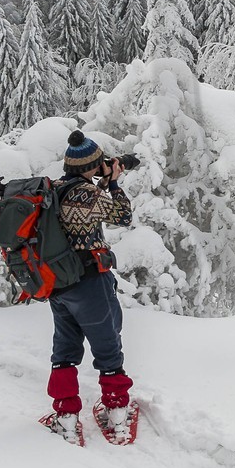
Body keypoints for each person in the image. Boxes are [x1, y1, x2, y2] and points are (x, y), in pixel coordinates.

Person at [44, 130, 135, 430]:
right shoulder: (88, 194)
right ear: (92, 166)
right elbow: (123, 217)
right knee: (107, 344)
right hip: (89, 281)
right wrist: (115, 184)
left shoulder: (54, 190)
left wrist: (103, 181)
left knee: (65, 348)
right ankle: (118, 412)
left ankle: (67, 416)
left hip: (58, 282)